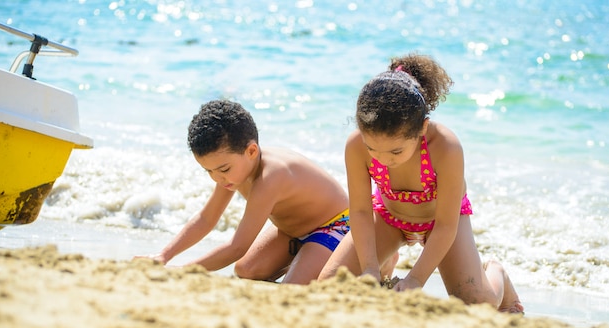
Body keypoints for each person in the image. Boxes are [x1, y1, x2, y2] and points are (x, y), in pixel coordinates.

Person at [318, 53, 523, 313]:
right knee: (330, 286)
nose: (383, 159)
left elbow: (447, 225)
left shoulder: (446, 147)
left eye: (395, 152)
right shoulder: (356, 145)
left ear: (422, 128)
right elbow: (359, 211)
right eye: (373, 149)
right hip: (389, 217)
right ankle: (383, 263)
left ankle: (496, 272)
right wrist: (368, 268)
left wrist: (415, 279)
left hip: (442, 224)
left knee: (479, 303)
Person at [142, 99, 350, 285]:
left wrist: (183, 271)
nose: (216, 178)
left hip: (335, 226)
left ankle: (350, 261)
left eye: (223, 169)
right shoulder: (233, 174)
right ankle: (306, 258)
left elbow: (237, 247)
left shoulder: (271, 177)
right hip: (291, 232)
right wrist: (164, 255)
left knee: (293, 286)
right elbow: (207, 218)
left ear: (251, 151)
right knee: (246, 270)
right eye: (209, 171)